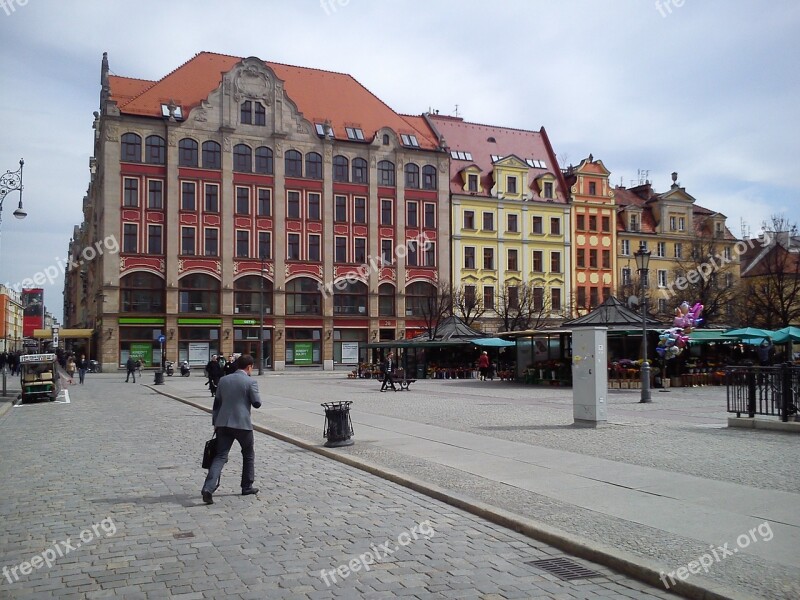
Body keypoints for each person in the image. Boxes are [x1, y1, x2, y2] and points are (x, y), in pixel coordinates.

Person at [201, 354, 262, 504]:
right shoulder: (250, 381)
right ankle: (247, 486)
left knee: (220, 456)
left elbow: (217, 404)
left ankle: (208, 488)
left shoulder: (223, 380)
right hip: (242, 425)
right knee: (248, 454)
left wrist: (215, 422)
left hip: (223, 424)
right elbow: (257, 403)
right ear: (249, 367)